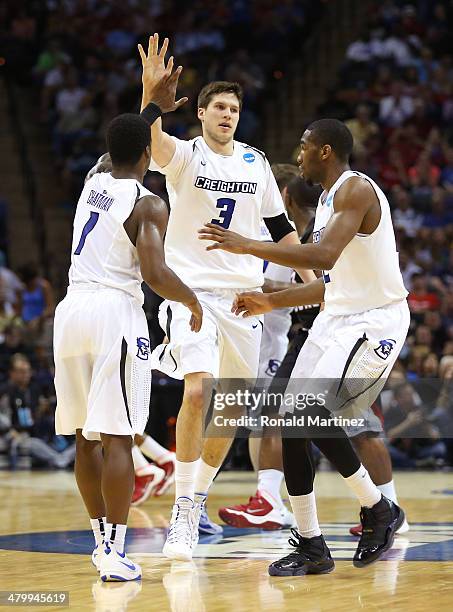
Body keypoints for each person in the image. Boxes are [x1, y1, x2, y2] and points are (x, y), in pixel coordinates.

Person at [199, 118, 410, 574]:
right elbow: (327, 286)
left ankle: (379, 509)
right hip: (338, 317)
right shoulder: (330, 202)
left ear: (326, 151)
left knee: (310, 416)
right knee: (289, 422)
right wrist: (268, 301)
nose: (299, 156)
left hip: (374, 322)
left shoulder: (356, 190)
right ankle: (312, 544)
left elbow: (322, 258)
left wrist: (248, 245)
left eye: (305, 147)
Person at [138, 34, 315, 561]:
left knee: (231, 412)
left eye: (235, 109)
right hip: (191, 296)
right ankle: (183, 516)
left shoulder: (256, 164)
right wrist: (150, 95)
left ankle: (193, 498)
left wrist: (313, 269)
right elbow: (147, 142)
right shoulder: (184, 155)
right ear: (201, 112)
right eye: (219, 107)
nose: (228, 115)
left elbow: (282, 229)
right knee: (199, 393)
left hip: (243, 300)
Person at [53, 61, 203, 582]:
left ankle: (103, 545)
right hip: (114, 312)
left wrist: (151, 107)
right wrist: (192, 304)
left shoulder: (92, 182)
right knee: (119, 436)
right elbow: (156, 272)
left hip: (70, 312)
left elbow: (125, 143)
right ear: (147, 156)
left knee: (84, 437)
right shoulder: (148, 202)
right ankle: (114, 552)